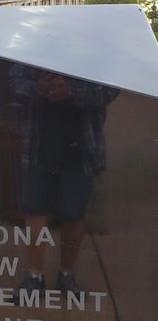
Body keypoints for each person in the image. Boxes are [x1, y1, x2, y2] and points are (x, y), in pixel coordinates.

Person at [8, 65, 118, 298]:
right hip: (38, 144)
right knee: (35, 210)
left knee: (73, 213)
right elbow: (15, 82)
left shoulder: (97, 47)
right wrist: (39, 89)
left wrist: (72, 92)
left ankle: (66, 275)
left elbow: (110, 89)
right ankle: (33, 277)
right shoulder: (30, 40)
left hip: (80, 145)